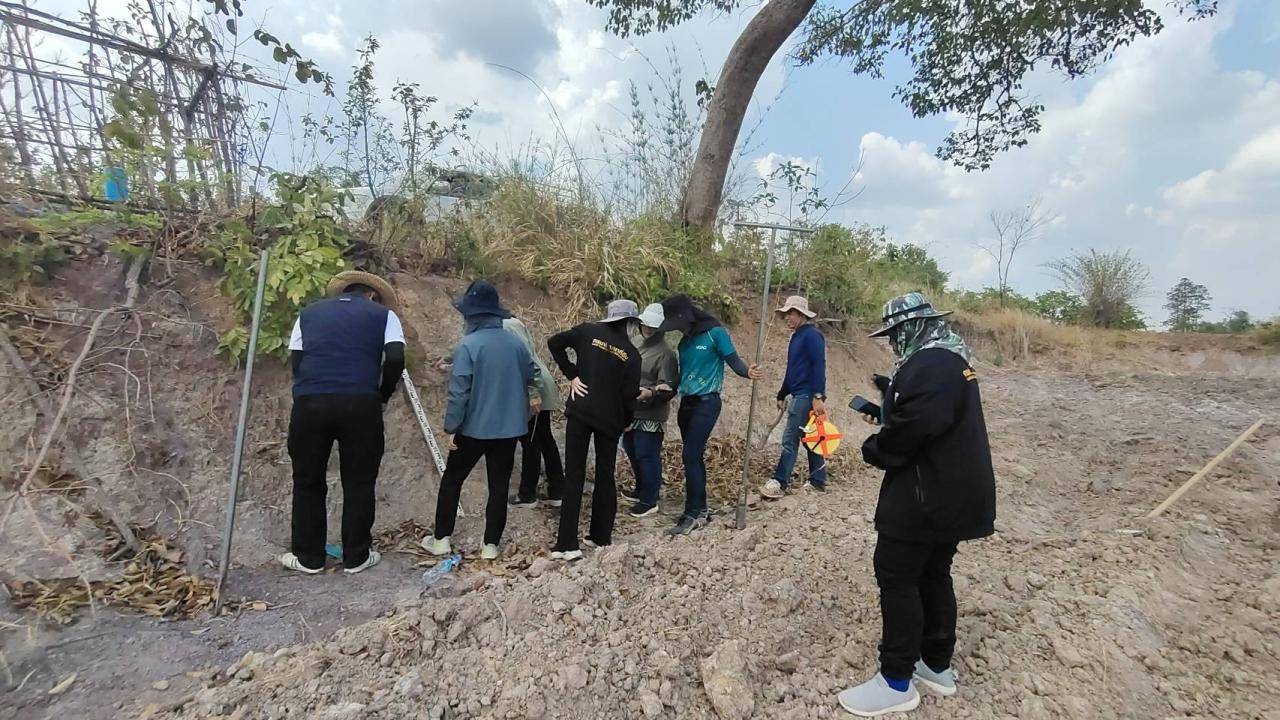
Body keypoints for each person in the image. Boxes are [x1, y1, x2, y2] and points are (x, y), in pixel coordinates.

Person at [837, 292, 996, 717]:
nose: (892, 342)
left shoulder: (929, 365)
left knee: (897, 575)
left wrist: (875, 447)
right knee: (933, 572)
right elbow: (926, 413)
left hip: (926, 498)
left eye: (895, 333)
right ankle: (936, 664)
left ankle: (895, 682)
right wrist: (890, 399)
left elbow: (915, 428)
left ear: (913, 327)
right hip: (952, 495)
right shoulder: (950, 360)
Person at [281, 270, 405, 575]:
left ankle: (309, 558)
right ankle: (356, 556)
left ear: (342, 292)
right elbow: (396, 358)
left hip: (310, 402)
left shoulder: (308, 313)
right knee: (359, 482)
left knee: (308, 481)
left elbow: (296, 357)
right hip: (361, 404)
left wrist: (311, 386)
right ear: (372, 295)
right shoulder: (383, 315)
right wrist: (382, 394)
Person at [422, 281, 540, 561]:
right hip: (510, 430)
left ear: (472, 315)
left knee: (452, 480)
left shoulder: (468, 345)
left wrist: (452, 427)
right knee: (499, 487)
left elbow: (459, 391)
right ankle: (490, 546)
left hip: (473, 429)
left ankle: (441, 540)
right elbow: (532, 373)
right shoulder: (517, 344)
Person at [657, 294, 762, 535]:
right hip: (687, 404)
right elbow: (684, 376)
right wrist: (665, 391)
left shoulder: (716, 333)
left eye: (676, 324)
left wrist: (749, 372)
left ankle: (694, 512)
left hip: (707, 403)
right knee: (693, 457)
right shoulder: (684, 343)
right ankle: (699, 509)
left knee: (690, 455)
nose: (676, 329)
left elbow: (733, 361)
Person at [546, 300, 642, 560]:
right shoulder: (632, 354)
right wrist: (627, 420)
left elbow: (554, 342)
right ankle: (600, 537)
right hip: (610, 420)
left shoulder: (588, 331)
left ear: (609, 317)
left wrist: (572, 375)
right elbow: (629, 395)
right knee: (604, 476)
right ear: (631, 323)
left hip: (580, 411)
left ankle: (567, 544)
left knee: (574, 476)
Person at [760, 296, 828, 498]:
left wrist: (818, 396)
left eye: (790, 313)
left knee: (790, 438)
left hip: (806, 395)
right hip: (799, 393)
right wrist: (782, 392)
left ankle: (780, 482)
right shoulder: (797, 337)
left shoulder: (812, 335)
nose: (786, 318)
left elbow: (819, 366)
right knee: (809, 438)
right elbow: (792, 370)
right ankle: (818, 480)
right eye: (785, 314)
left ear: (801, 314)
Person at [620, 303, 679, 518]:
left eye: (653, 325)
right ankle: (641, 489)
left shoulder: (666, 354)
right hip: (630, 408)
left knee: (647, 453)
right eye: (646, 324)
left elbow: (668, 388)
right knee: (631, 448)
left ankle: (649, 499)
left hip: (651, 411)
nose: (649, 328)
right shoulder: (635, 342)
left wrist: (651, 392)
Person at [503, 316, 566, 509]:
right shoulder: (514, 324)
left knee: (531, 440)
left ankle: (528, 494)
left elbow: (523, 363)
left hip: (534, 388)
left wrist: (532, 393)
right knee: (544, 439)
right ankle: (557, 490)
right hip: (538, 385)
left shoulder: (507, 328)